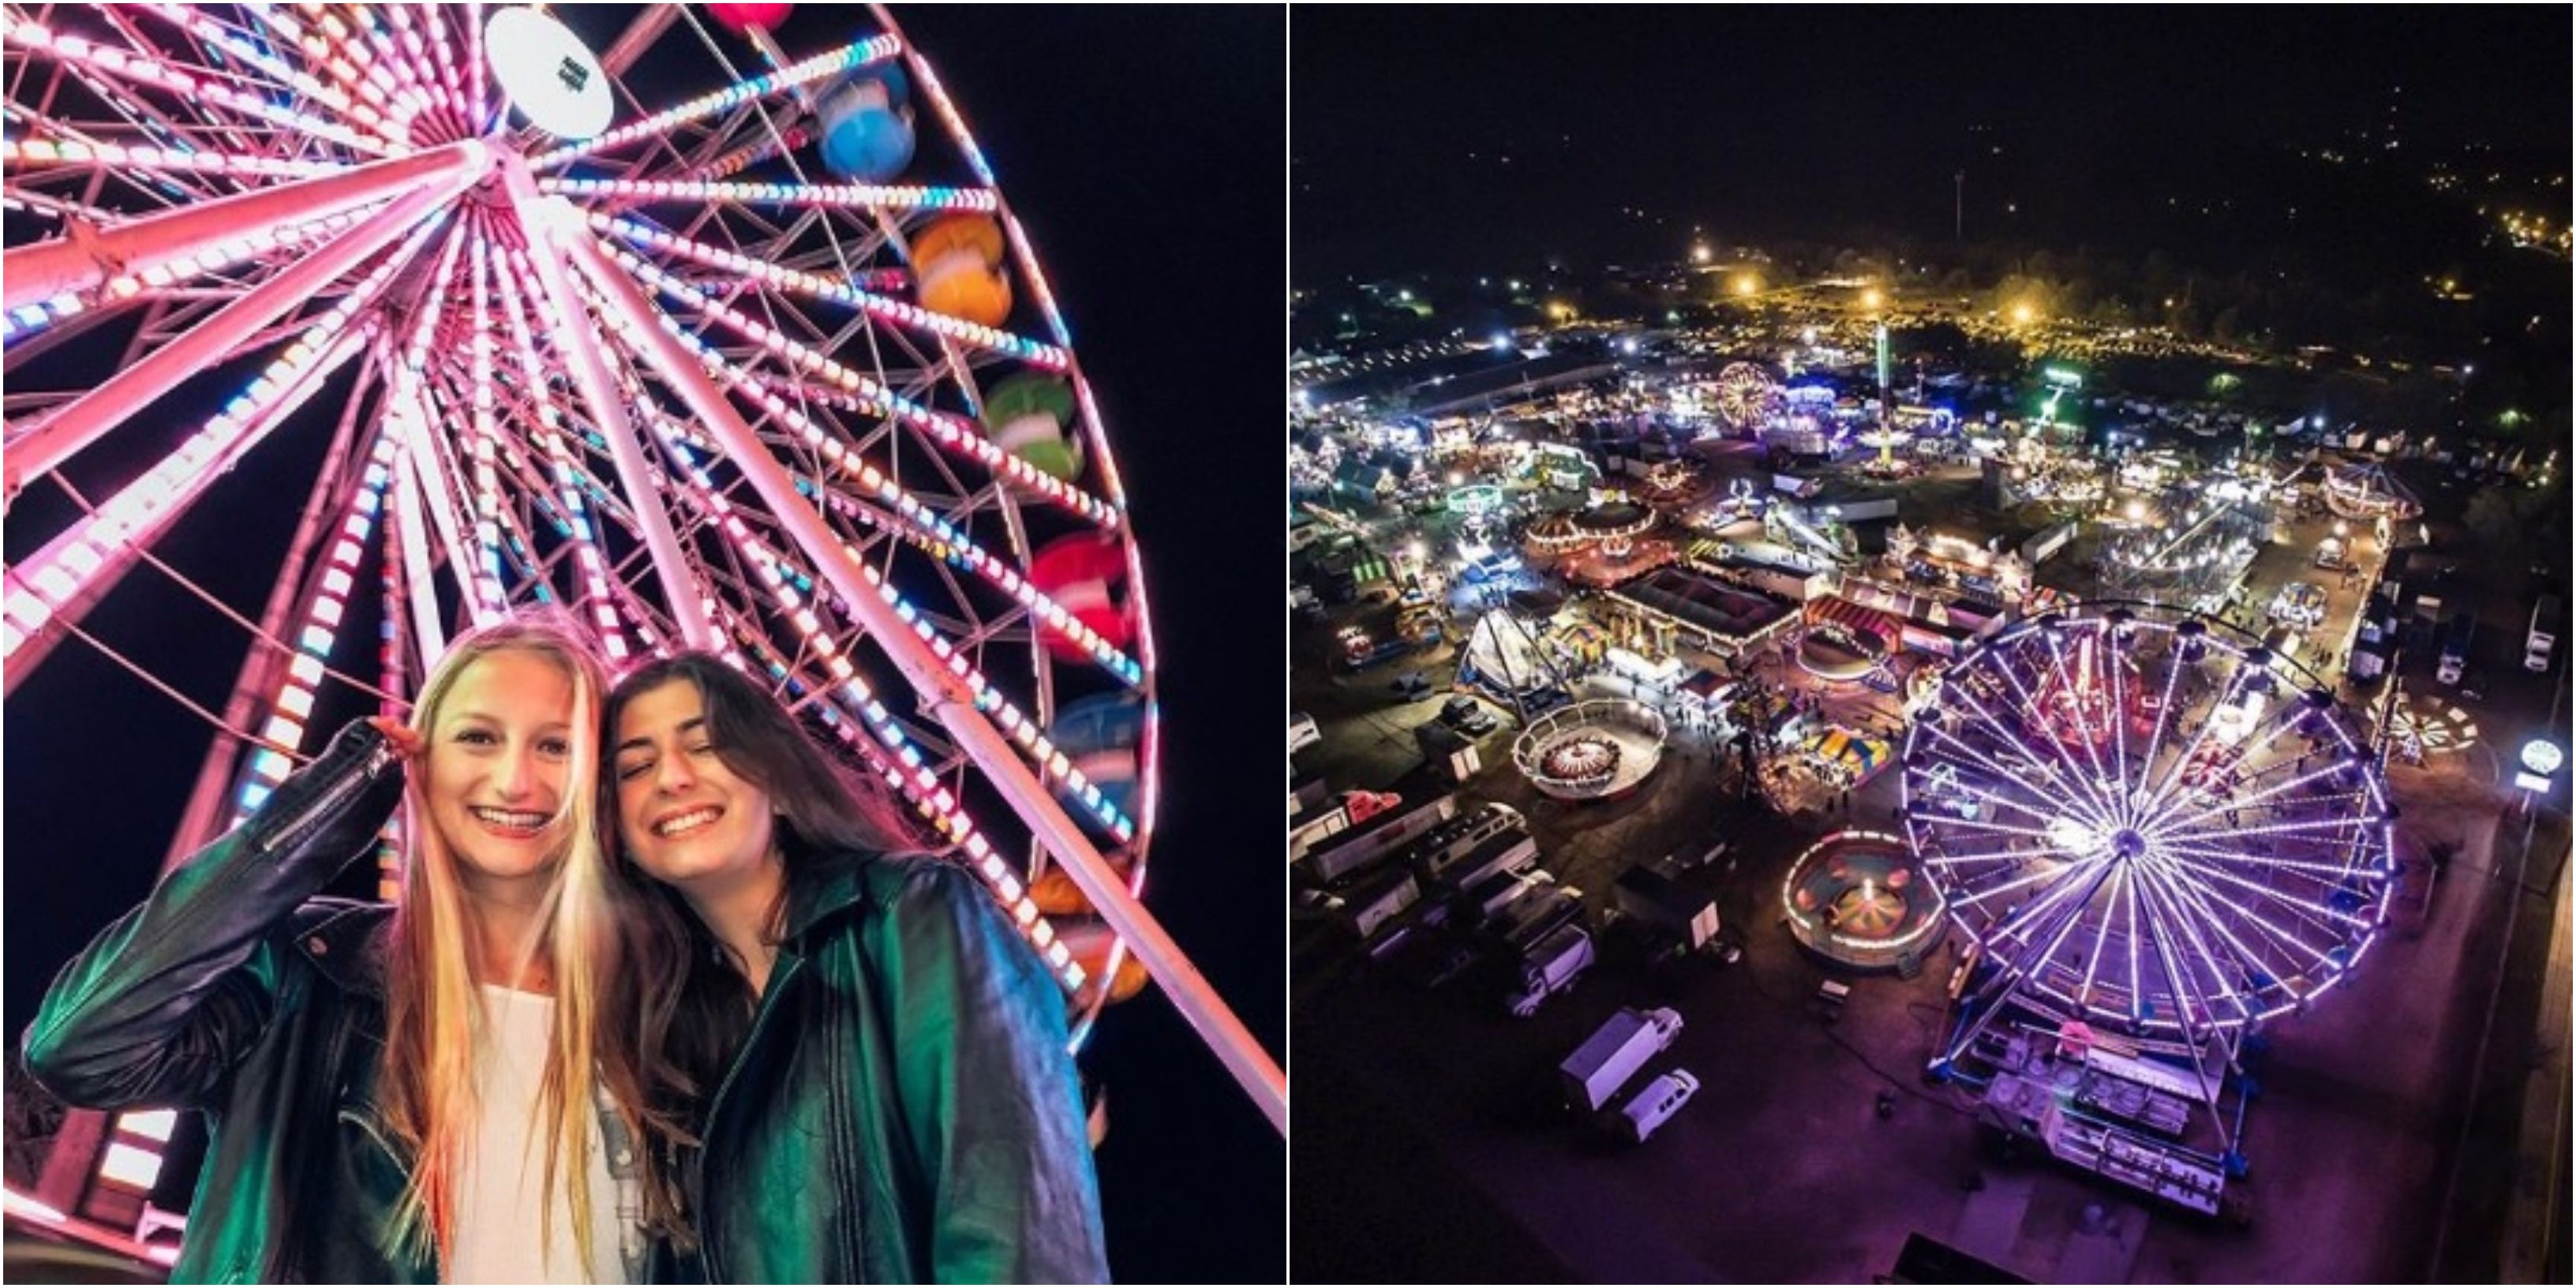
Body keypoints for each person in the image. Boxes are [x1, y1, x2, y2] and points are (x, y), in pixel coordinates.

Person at [22, 612, 650, 1282]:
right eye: (477, 737)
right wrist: (325, 809)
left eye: (556, 747)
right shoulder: (310, 969)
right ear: (418, 758)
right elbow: (79, 1050)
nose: (515, 781)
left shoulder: (659, 1008)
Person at [603, 651, 1109, 1283]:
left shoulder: (910, 917)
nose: (670, 778)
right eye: (635, 767)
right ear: (617, 831)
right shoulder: (663, 1043)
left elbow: (1015, 1218)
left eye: (704, 746)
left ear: (779, 783)